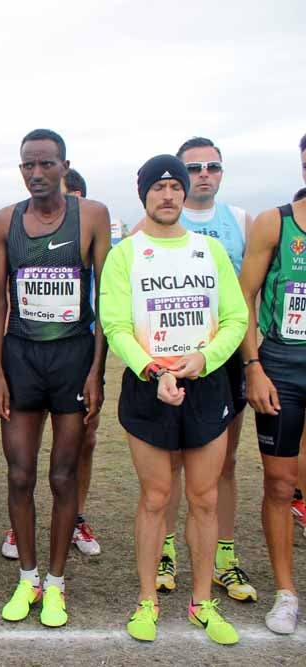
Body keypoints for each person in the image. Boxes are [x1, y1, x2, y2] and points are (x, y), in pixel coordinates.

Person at [102, 155, 246, 644]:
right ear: (143, 193)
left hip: (205, 385)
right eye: (158, 186)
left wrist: (205, 360)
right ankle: (148, 600)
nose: (168, 194)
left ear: (185, 193)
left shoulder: (210, 251)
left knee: (204, 499)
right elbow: (116, 325)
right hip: (149, 385)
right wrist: (152, 368)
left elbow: (236, 320)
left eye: (174, 186)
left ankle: (203, 602)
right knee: (156, 497)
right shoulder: (125, 254)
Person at [0, 129, 110, 628]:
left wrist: (98, 371)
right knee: (19, 473)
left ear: (63, 166)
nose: (36, 174)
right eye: (27, 166)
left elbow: (106, 300)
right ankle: (27, 577)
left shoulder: (93, 216)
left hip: (73, 357)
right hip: (20, 357)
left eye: (45, 164)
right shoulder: (4, 221)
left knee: (63, 475)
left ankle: (56, 585)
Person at [134, 138, 256, 601]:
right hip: (158, 372)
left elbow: (241, 304)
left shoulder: (239, 223)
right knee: (166, 477)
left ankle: (224, 558)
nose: (202, 175)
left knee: (220, 470)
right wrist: (154, 367)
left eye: (212, 167)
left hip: (219, 368)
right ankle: (165, 551)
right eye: (192, 168)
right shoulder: (137, 245)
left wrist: (228, 358)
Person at [236, 133, 306, 634]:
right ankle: (286, 592)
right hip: (282, 365)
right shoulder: (274, 223)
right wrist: (253, 366)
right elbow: (244, 299)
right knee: (281, 483)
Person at [62, 168, 124, 557]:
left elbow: (108, 301)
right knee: (28, 446)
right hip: (37, 353)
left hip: (83, 349)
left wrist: (97, 367)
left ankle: (77, 517)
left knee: (85, 440)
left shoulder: (95, 234)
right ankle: (18, 524)